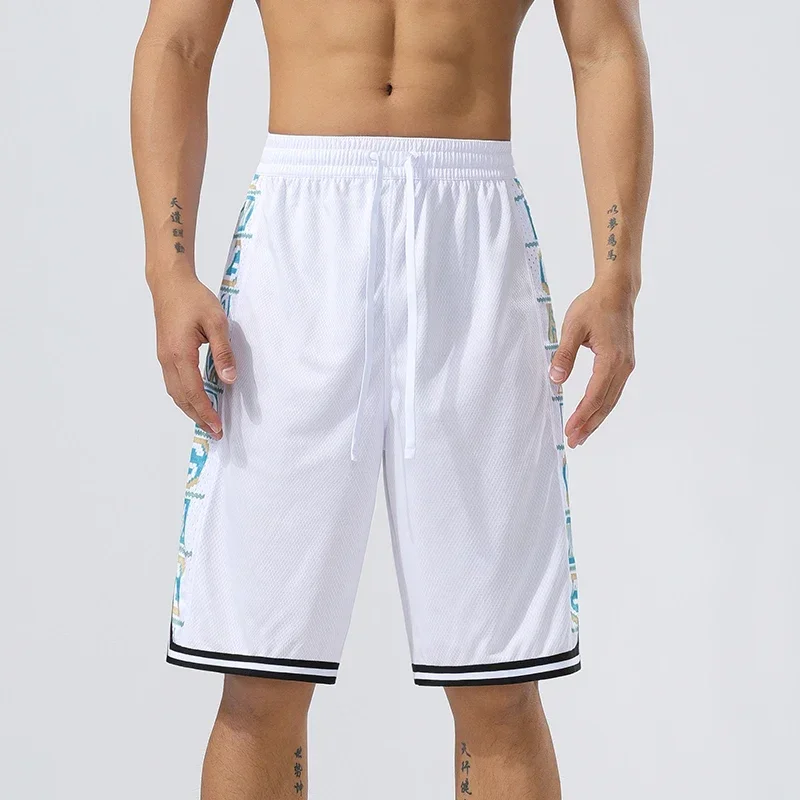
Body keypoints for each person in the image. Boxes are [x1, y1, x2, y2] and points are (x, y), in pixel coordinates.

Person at [131, 0, 652, 796]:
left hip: (472, 241)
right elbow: (178, 41)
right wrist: (167, 273)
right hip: (299, 242)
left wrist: (618, 279)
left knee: (500, 684)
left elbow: (605, 48)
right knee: (259, 678)